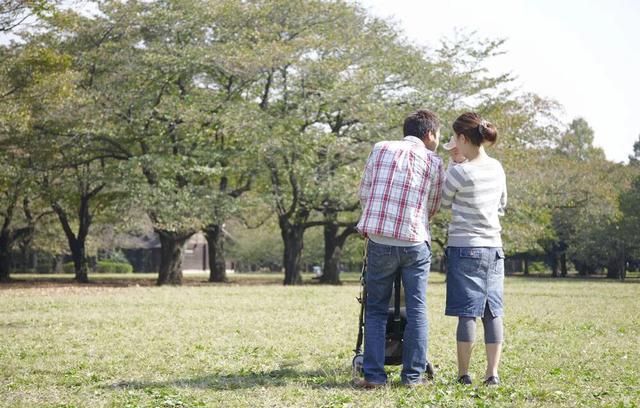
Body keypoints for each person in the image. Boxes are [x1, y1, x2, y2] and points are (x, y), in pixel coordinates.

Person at [355, 109, 445, 388]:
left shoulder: (380, 149)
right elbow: (433, 205)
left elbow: (365, 191)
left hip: (380, 239)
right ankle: (413, 376)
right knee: (417, 308)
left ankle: (373, 376)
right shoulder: (433, 161)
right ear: (429, 134)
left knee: (376, 309)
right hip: (414, 241)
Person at [441, 112, 507, 386]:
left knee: (467, 312)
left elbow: (443, 201)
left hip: (465, 247)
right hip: (493, 247)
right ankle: (492, 374)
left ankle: (463, 374)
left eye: (455, 137)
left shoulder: (460, 171)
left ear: (463, 139)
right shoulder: (497, 168)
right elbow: (502, 204)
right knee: (492, 311)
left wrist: (452, 164)